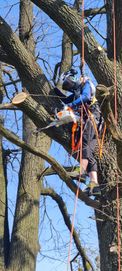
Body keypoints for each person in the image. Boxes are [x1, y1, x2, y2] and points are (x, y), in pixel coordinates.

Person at [54, 68, 102, 196]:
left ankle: (80, 171)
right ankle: (94, 184)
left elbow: (85, 97)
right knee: (87, 152)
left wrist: (71, 107)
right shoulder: (77, 91)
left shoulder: (86, 84)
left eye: (69, 84)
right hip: (87, 120)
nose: (70, 88)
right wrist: (56, 92)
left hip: (92, 118)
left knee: (85, 146)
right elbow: (66, 100)